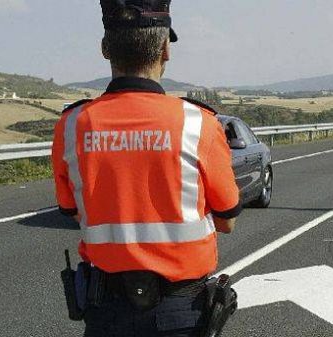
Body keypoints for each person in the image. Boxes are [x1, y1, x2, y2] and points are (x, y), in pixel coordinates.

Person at [51, 0, 242, 336]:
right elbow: (228, 219)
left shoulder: (71, 126)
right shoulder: (199, 123)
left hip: (105, 310)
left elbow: (73, 210)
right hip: (181, 312)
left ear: (105, 48)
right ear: (166, 49)